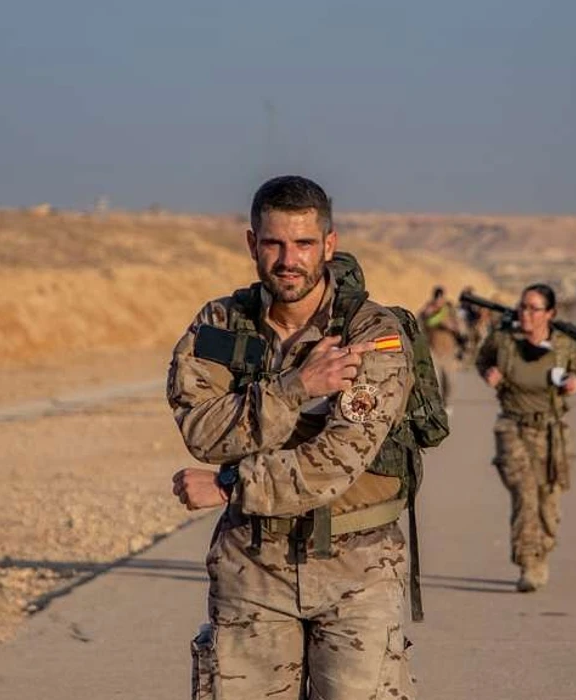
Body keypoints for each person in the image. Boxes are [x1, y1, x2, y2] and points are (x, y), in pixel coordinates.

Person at [168, 175, 416, 699]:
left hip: (359, 570)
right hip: (252, 567)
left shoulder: (372, 334)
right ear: (252, 243)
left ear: (328, 244)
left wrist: (231, 485)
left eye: (304, 243)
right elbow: (203, 432)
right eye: (274, 243)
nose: (288, 260)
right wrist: (295, 387)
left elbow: (337, 460)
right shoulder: (219, 325)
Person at [475, 283, 576, 592]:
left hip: (550, 432)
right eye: (523, 307)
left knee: (549, 500)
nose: (526, 314)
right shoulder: (503, 340)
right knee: (525, 493)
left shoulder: (564, 346)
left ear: (550, 313)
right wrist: (489, 374)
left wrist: (573, 382)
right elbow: (482, 359)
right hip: (512, 426)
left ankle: (542, 552)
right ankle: (528, 563)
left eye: (534, 308)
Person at [418, 286, 461, 408]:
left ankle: (447, 404)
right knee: (434, 379)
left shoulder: (450, 310)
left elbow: (460, 328)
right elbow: (418, 324)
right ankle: (437, 405)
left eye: (440, 299)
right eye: (436, 299)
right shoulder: (428, 309)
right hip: (432, 350)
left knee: (449, 381)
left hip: (448, 351)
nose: (438, 302)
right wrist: (425, 316)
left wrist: (449, 325)